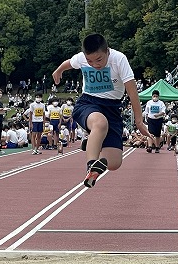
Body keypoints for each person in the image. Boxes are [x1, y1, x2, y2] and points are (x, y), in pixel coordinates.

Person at [52, 33, 152, 188]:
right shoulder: (81, 58)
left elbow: (132, 92)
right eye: (89, 61)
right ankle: (91, 165)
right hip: (88, 103)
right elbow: (69, 63)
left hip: (112, 108)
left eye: (99, 60)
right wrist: (58, 71)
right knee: (100, 123)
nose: (94, 64)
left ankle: (92, 143)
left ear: (107, 51)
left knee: (114, 163)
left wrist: (139, 121)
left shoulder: (119, 59)